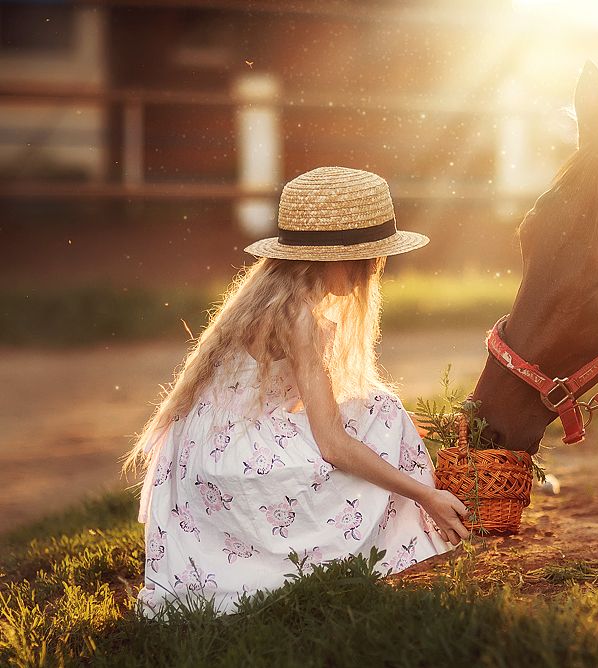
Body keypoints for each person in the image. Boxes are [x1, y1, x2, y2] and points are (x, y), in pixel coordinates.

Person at [125, 166, 470, 616]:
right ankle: (385, 543)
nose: (377, 268)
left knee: (376, 409)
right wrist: (423, 494)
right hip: (232, 463)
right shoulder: (299, 318)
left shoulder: (272, 297)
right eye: (372, 257)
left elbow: (282, 401)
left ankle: (366, 547)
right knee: (381, 413)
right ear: (343, 258)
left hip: (208, 454)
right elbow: (331, 445)